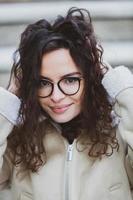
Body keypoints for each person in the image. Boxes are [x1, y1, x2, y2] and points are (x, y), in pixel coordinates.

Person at [0, 7, 133, 200]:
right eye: (43, 83)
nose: (56, 96)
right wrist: (10, 95)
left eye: (70, 80)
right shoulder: (17, 144)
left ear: (91, 79)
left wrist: (112, 77)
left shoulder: (120, 137)